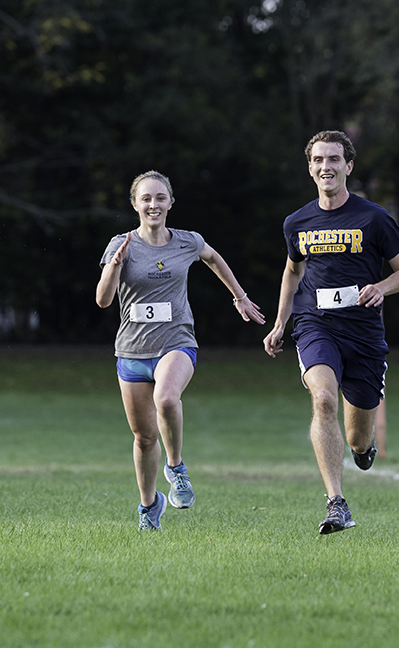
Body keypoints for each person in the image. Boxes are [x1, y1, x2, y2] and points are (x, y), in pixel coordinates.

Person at [263, 130, 399, 534]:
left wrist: (380, 288)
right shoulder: (297, 222)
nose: (325, 167)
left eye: (334, 159)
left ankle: (363, 450)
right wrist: (281, 323)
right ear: (310, 167)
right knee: (324, 399)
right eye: (318, 160)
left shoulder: (374, 218)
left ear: (348, 166)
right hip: (315, 324)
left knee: (357, 439)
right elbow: (292, 271)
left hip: (364, 333)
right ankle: (336, 503)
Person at [97, 170, 265, 531]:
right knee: (143, 437)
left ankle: (176, 468)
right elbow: (103, 300)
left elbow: (214, 258)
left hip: (176, 342)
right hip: (131, 351)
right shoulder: (120, 244)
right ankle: (149, 505)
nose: (153, 204)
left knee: (168, 399)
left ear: (171, 202)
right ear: (135, 204)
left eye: (160, 198)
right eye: (146, 198)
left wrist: (240, 296)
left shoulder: (187, 241)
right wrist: (113, 266)